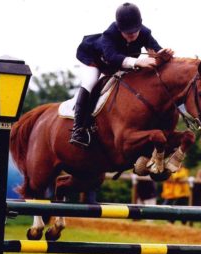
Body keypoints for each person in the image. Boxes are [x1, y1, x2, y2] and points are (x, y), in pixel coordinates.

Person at [69, 2, 174, 147]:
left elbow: (155, 51)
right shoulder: (109, 34)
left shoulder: (145, 32)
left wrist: (164, 54)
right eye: (127, 33)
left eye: (134, 32)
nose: (131, 36)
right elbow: (111, 57)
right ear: (119, 28)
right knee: (90, 82)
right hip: (95, 59)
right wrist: (137, 62)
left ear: (140, 25)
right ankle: (78, 129)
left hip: (119, 64)